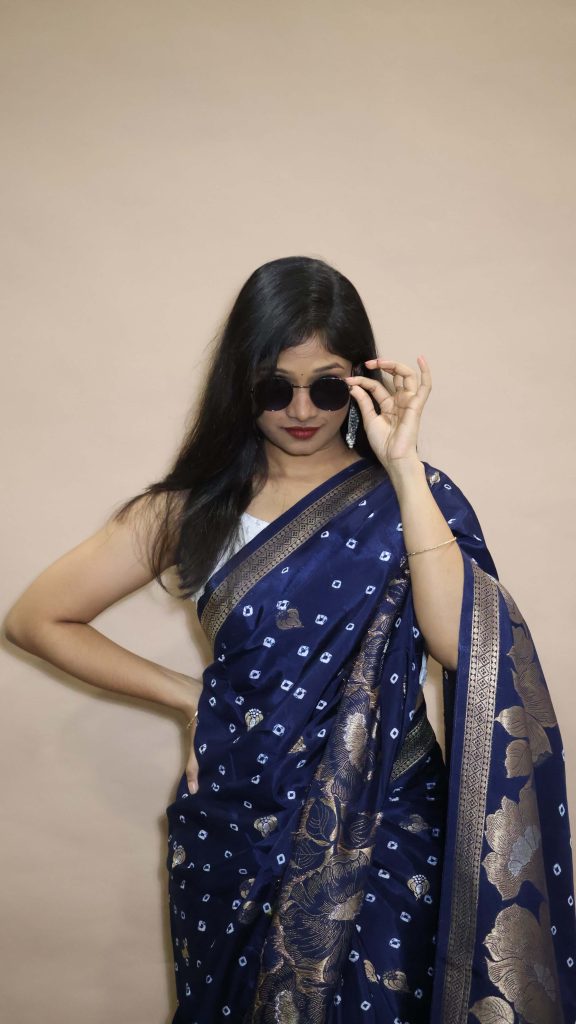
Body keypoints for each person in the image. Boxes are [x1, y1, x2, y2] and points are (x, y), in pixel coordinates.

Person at [4, 255, 575, 1023]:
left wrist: (403, 466)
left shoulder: (410, 499)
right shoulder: (191, 511)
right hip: (238, 829)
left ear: (361, 383)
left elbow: (457, 645)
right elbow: (35, 618)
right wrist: (188, 697)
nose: (301, 409)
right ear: (241, 385)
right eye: (276, 387)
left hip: (387, 821)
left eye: (327, 387)